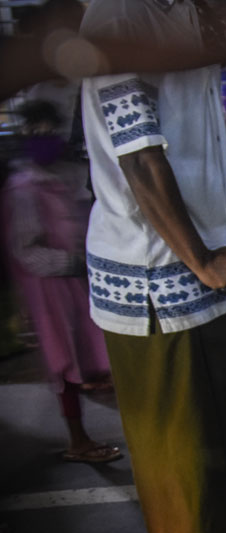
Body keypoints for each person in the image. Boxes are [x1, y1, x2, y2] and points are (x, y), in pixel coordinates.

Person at [79, 0, 226, 533]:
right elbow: (140, 158)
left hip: (209, 252)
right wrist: (199, 258)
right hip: (157, 268)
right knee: (185, 440)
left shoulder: (183, 11)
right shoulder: (119, 16)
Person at [1, 99, 120, 464]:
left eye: (49, 129)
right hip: (52, 290)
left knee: (91, 353)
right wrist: (74, 262)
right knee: (64, 362)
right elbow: (26, 250)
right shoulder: (23, 187)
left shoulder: (65, 173)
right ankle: (78, 440)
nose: (44, 137)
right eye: (36, 130)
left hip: (80, 282)